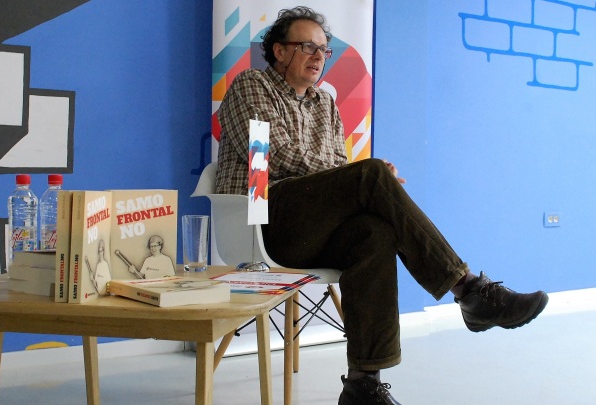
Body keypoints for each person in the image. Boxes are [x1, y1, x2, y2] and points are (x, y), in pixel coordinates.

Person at [215, 6, 549, 404]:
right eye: (307, 46)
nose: (319, 56)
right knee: (370, 174)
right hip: (264, 219)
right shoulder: (252, 84)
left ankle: (363, 385)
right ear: (279, 50)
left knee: (374, 234)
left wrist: (361, 176)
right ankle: (468, 290)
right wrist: (364, 175)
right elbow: (273, 156)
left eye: (324, 49)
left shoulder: (325, 103)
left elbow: (336, 170)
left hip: (314, 229)